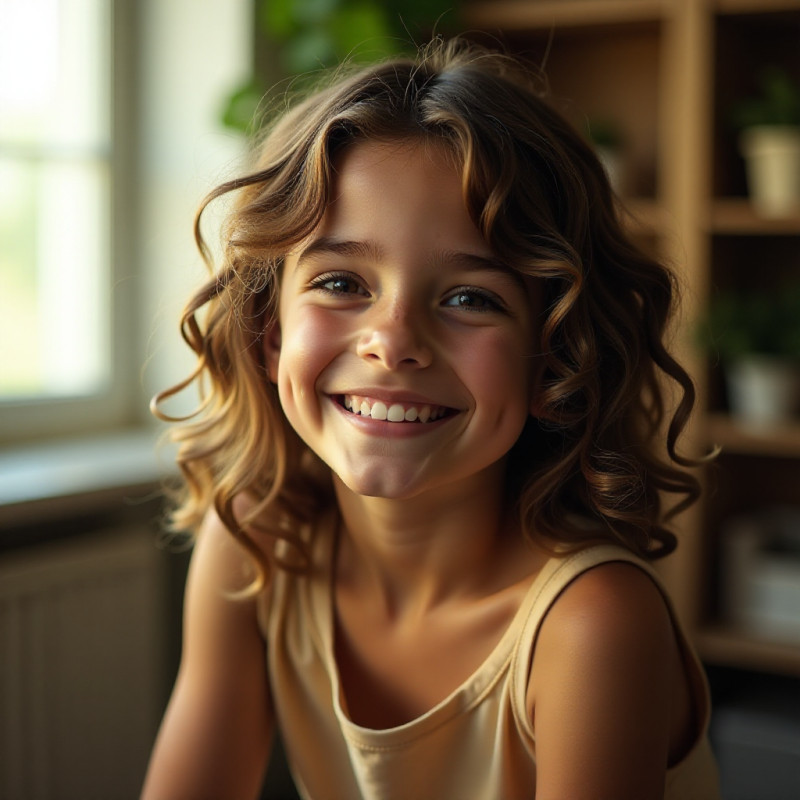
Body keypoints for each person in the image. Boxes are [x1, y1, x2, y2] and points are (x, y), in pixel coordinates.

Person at [141, 37, 720, 800]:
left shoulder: (592, 624)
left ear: (555, 357)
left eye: (470, 298)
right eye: (343, 282)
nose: (394, 342)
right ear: (269, 332)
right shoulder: (254, 540)